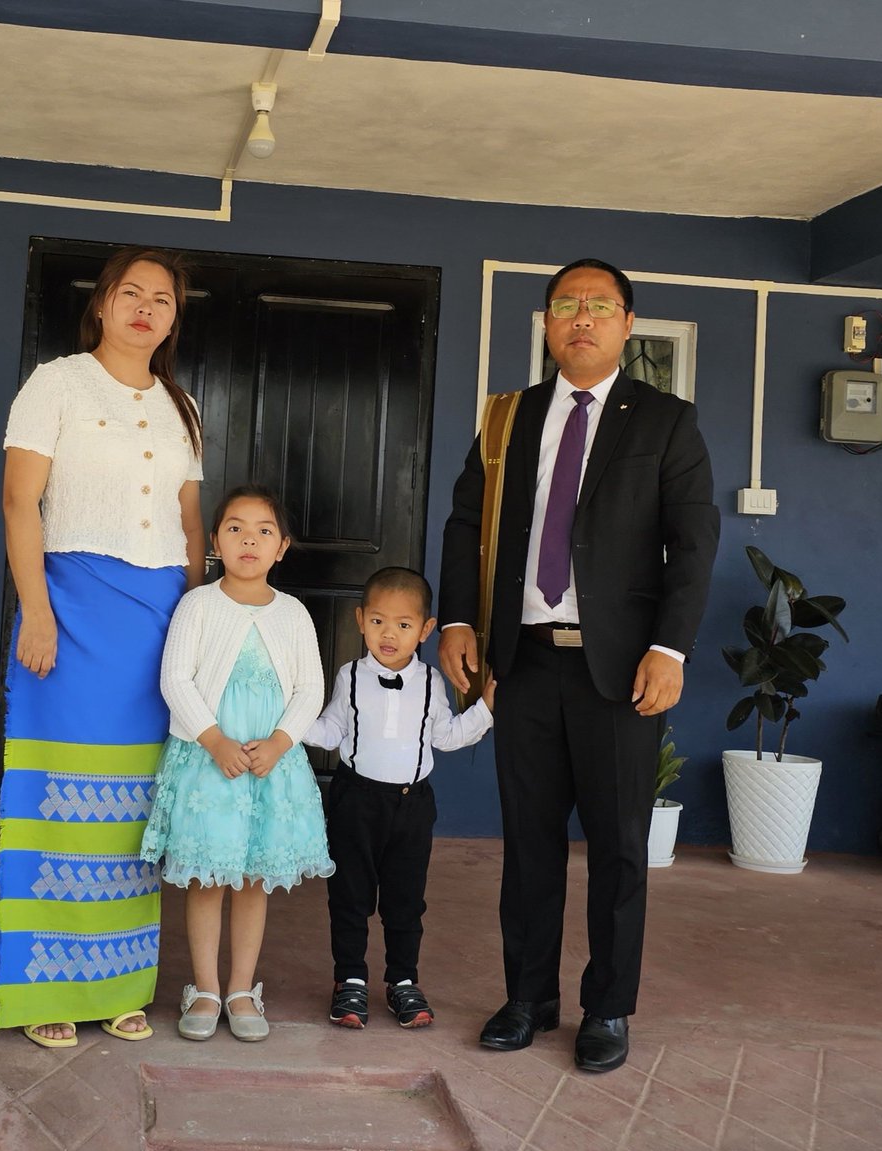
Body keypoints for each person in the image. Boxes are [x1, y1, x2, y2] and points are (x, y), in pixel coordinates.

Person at [438, 259, 719, 1073]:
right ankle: (527, 996)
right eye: (567, 306)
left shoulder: (665, 422)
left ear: (628, 324)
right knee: (527, 844)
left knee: (620, 847)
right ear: (547, 322)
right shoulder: (507, 419)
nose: (582, 319)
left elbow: (693, 544)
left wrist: (670, 648)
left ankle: (608, 1008)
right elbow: (465, 524)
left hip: (621, 671)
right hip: (521, 663)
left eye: (600, 306)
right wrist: (459, 619)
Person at [0, 246, 206, 1049]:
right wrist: (36, 611)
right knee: (57, 801)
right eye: (132, 293)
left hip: (156, 621)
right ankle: (43, 986)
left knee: (134, 813)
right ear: (104, 304)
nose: (146, 308)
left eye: (163, 299)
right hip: (72, 611)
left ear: (174, 318)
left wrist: (193, 622)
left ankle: (118, 984)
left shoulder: (184, 407)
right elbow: (20, 501)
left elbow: (190, 525)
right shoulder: (56, 383)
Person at [140, 485, 333, 1042]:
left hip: (269, 767)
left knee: (252, 879)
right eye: (235, 527)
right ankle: (203, 988)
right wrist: (214, 740)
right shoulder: (198, 604)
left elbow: (309, 687)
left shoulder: (293, 614)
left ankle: (243, 988)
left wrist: (279, 742)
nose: (249, 538)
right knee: (208, 878)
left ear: (282, 547)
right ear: (215, 543)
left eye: (264, 530)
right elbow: (175, 678)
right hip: (211, 764)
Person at [303, 566, 495, 1032]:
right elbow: (330, 731)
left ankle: (403, 980)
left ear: (426, 630)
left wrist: (488, 706)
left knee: (405, 900)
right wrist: (288, 723)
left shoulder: (432, 683)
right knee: (349, 896)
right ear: (360, 619)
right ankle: (349, 978)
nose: (389, 634)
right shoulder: (349, 676)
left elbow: (446, 737)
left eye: (404, 625)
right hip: (355, 801)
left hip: (412, 807)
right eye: (378, 622)